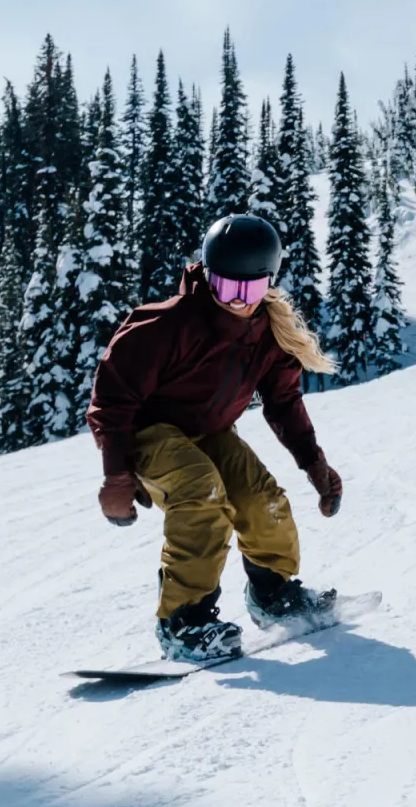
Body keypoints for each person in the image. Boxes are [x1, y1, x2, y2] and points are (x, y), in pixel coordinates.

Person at [86, 214, 346, 662]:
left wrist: (315, 465)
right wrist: (116, 478)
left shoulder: (268, 334)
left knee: (260, 497)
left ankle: (272, 594)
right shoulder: (163, 325)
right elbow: (112, 401)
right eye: (229, 289)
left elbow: (284, 403)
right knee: (200, 492)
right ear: (208, 276)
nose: (241, 302)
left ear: (269, 283)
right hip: (148, 434)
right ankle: (183, 623)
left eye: (253, 290)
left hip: (209, 432)